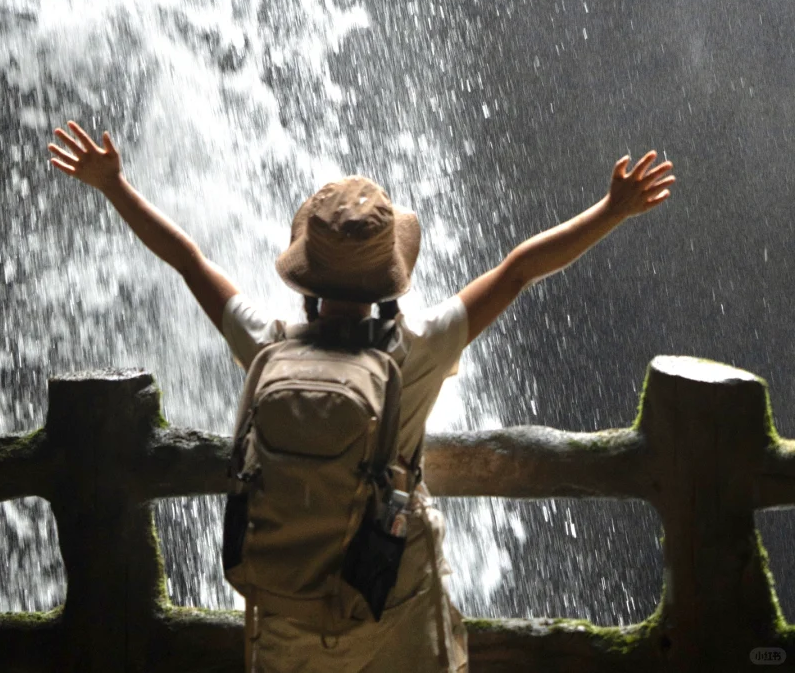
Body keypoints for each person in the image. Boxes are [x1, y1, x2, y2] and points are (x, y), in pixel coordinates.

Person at [48, 121, 674, 672]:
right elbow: (518, 269)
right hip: (388, 600)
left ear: (305, 272)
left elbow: (188, 260)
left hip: (287, 608)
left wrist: (114, 186)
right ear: (388, 278)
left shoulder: (269, 344)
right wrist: (612, 210)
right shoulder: (416, 347)